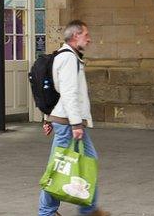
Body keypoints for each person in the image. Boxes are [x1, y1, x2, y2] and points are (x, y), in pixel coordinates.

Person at [39, 20, 108, 216]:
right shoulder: (68, 58)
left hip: (63, 121)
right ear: (75, 35)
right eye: (86, 35)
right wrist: (76, 124)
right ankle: (49, 212)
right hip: (68, 123)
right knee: (59, 167)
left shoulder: (67, 57)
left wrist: (47, 118)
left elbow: (53, 91)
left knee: (62, 164)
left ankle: (87, 209)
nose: (89, 39)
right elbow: (68, 93)